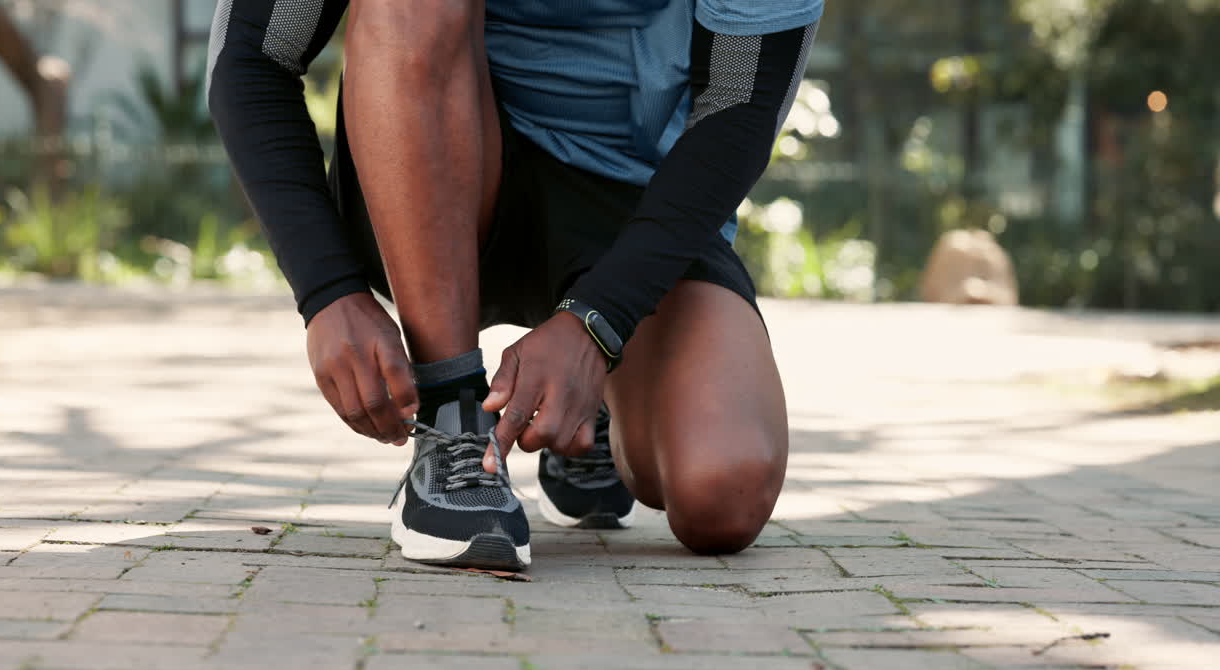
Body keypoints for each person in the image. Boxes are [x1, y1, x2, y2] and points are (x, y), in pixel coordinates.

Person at [208, 0, 821, 571]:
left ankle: (596, 394)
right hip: (446, 158)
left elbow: (739, 102)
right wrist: (327, 290)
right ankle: (454, 422)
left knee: (723, 491)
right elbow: (252, 56)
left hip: (640, 205)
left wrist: (599, 322)